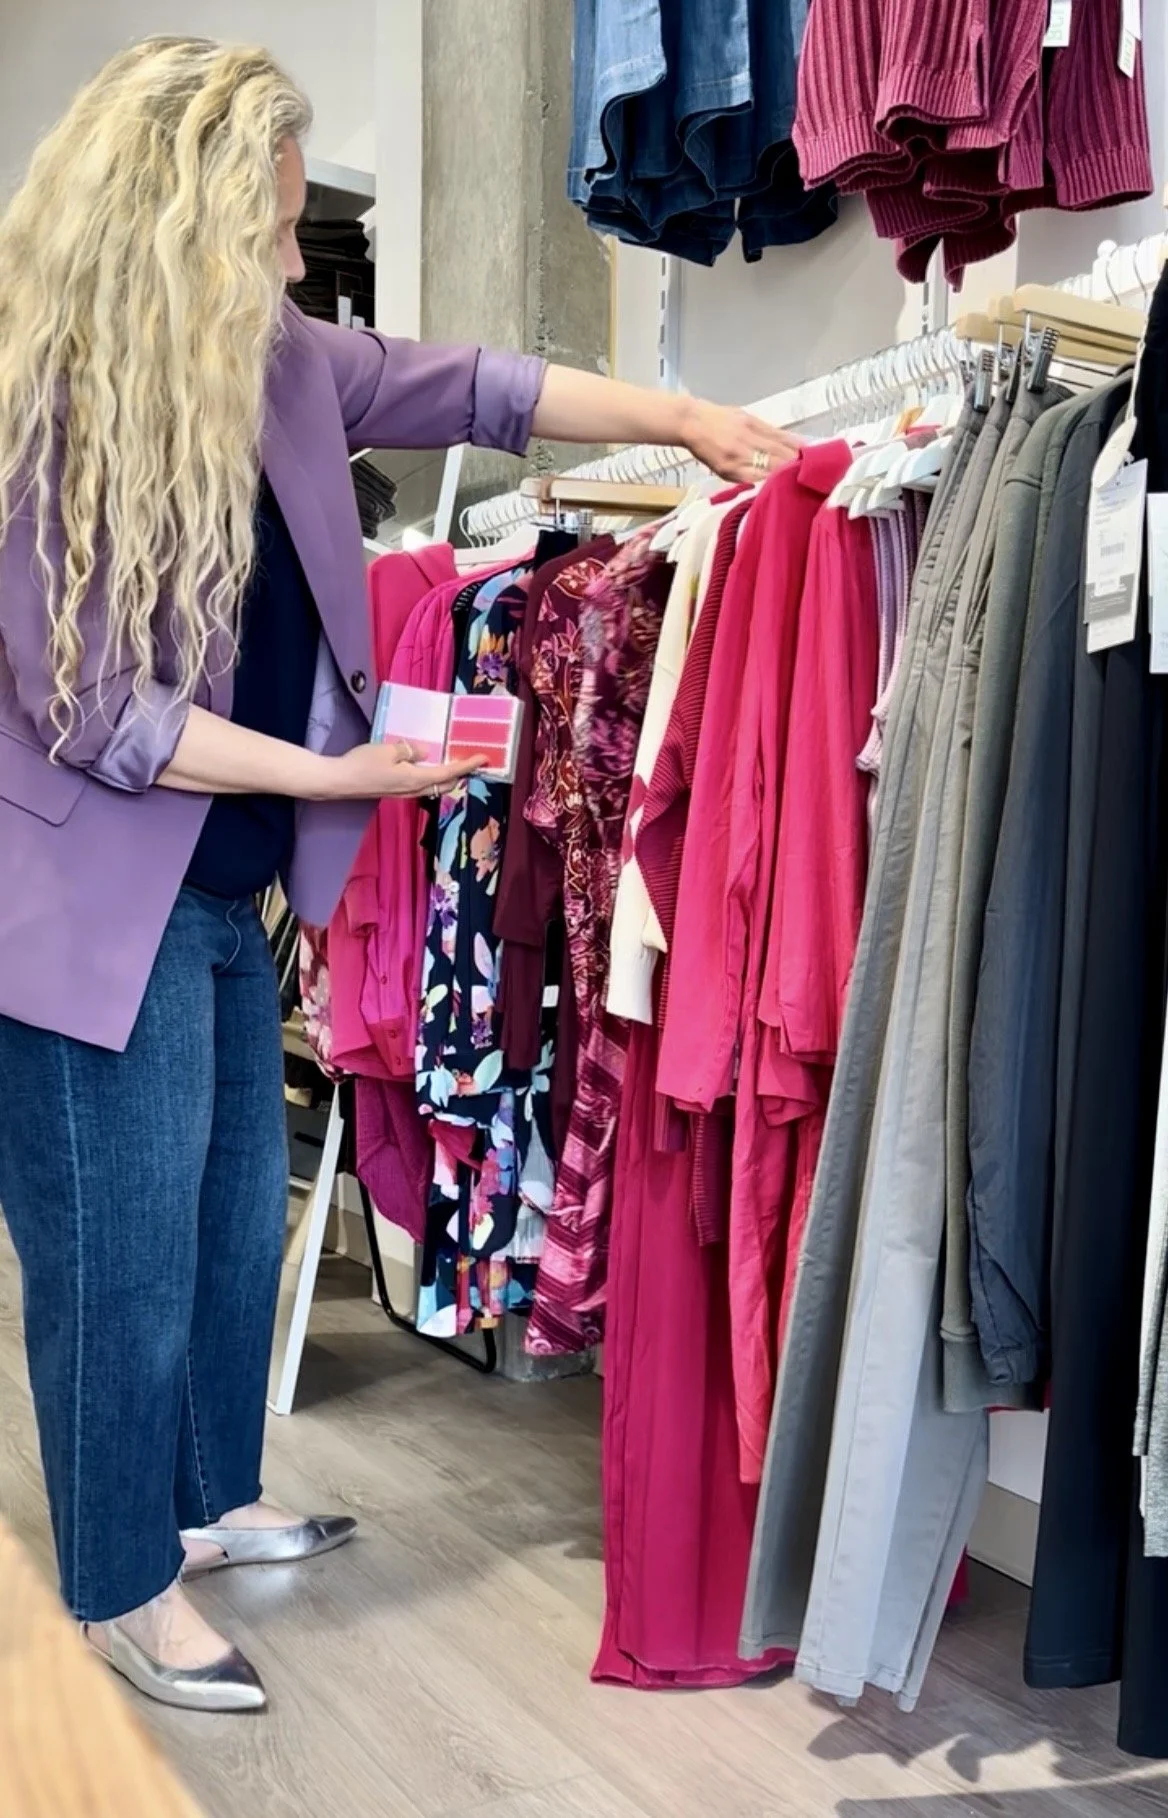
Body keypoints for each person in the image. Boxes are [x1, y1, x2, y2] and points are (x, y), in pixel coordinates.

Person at [0, 36, 798, 1715]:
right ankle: (122, 1591)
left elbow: (486, 392)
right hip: (84, 919)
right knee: (116, 1258)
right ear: (176, 230)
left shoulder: (281, 364)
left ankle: (207, 1508)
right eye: (273, 231)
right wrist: (334, 778)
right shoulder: (43, 409)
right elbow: (91, 709)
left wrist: (678, 413)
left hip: (220, 896)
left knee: (227, 1230)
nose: (299, 264)